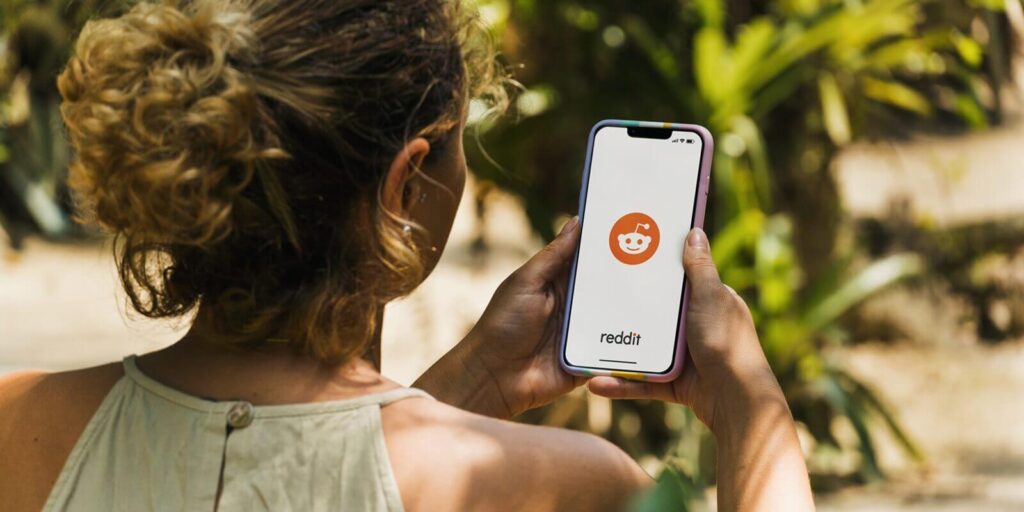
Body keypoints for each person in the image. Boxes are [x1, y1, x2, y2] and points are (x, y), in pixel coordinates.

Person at [0, 0, 814, 510]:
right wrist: (749, 409)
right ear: (405, 183)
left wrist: (471, 388)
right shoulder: (569, 489)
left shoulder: (18, 423)